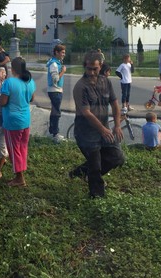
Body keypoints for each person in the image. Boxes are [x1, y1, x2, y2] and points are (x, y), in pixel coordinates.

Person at [69, 50, 125, 198]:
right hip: (86, 134)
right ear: (84, 67)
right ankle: (97, 196)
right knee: (95, 166)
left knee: (117, 158)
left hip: (104, 131)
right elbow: (86, 113)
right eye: (89, 69)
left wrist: (117, 125)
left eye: (95, 68)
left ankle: (79, 172)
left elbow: (114, 104)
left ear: (101, 66)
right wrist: (102, 129)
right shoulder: (80, 87)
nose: (92, 72)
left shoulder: (106, 82)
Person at [0, 57, 35, 187]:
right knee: (22, 147)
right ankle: (21, 172)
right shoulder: (30, 81)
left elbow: (3, 102)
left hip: (12, 122)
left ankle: (19, 178)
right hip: (25, 120)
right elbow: (32, 98)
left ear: (12, 69)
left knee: (14, 150)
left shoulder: (9, 82)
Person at [46, 44, 66, 143]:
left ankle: (52, 131)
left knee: (54, 111)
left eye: (64, 53)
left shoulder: (55, 62)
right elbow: (56, 79)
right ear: (56, 52)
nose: (64, 54)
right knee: (56, 113)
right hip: (55, 91)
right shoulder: (54, 64)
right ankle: (55, 134)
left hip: (55, 90)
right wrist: (63, 71)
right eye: (62, 52)